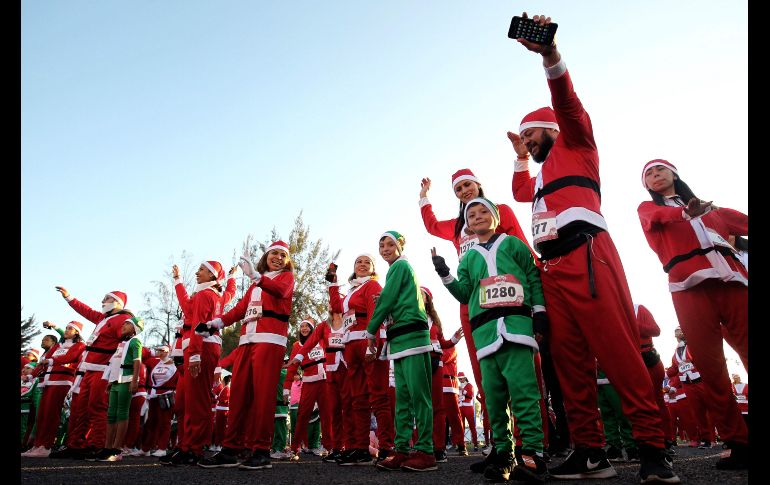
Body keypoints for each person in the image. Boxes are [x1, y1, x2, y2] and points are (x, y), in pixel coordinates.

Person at [507, 12, 678, 482]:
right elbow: (521, 193)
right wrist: (521, 158)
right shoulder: (539, 174)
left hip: (588, 254)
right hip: (553, 269)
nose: (527, 140)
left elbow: (566, 102)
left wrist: (549, 56)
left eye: (530, 133)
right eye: (522, 137)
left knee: (619, 349)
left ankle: (652, 448)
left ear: (550, 130)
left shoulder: (576, 143)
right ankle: (591, 452)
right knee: (570, 364)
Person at [639, 158, 748, 469]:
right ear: (646, 185)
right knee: (712, 367)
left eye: (660, 169)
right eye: (648, 173)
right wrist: (687, 212)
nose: (655, 174)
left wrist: (702, 210)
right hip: (688, 287)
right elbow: (658, 216)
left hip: (733, 281)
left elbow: (742, 222)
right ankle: (737, 441)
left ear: (674, 173)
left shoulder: (713, 210)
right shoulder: (647, 209)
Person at [432, 197, 547, 482]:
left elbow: (532, 276)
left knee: (524, 393)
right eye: (472, 214)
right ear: (467, 225)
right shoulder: (468, 258)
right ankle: (504, 454)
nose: (478, 216)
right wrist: (444, 273)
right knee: (493, 399)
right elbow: (463, 293)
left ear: (497, 217)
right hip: (484, 333)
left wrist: (540, 310)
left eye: (484, 211)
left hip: (517, 327)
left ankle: (532, 455)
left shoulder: (513, 244)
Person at [419, 168, 530, 446]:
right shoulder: (459, 225)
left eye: (467, 185)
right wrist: (424, 199)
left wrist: (535, 299)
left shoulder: (499, 210)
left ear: (479, 185)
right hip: (471, 300)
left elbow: (523, 250)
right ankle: (500, 446)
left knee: (521, 374)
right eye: (458, 189)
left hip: (508, 299)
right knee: (485, 374)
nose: (464, 191)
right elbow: (432, 226)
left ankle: (528, 444)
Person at [198, 240, 295, 470]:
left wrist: (255, 276)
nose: (278, 258)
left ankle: (261, 451)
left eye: (283, 255)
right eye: (274, 253)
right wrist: (214, 323)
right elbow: (241, 309)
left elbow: (280, 291)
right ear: (266, 257)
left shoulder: (286, 278)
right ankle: (231, 449)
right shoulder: (255, 284)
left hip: (270, 340)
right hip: (247, 341)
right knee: (239, 395)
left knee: (262, 397)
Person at [366, 231, 436, 472]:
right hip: (401, 339)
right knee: (403, 400)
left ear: (400, 246)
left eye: (390, 244)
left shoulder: (400, 266)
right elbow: (390, 301)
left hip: (412, 337)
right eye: (381, 244)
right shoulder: (396, 269)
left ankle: (426, 451)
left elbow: (387, 299)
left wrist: (370, 332)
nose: (385, 248)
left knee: (419, 397)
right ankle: (402, 450)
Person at [163, 261, 236, 465]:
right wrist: (177, 280)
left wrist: (195, 354)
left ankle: (194, 449)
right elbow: (186, 305)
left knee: (198, 401)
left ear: (212, 276)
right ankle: (186, 445)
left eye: (201, 269)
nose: (197, 272)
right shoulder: (211, 294)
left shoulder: (206, 295)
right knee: (190, 401)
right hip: (198, 346)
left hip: (201, 346)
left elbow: (199, 326)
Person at [53, 287, 137, 459]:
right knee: (81, 409)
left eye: (106, 298)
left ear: (117, 302)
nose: (102, 301)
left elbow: (126, 343)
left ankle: (97, 446)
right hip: (88, 369)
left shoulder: (124, 318)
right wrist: (69, 297)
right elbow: (85, 310)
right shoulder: (102, 318)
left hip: (103, 370)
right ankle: (76, 445)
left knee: (97, 408)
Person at [327, 253, 393, 465]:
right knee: (358, 399)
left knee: (378, 396)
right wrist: (333, 283)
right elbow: (337, 308)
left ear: (373, 269)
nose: (362, 265)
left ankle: (386, 447)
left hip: (368, 343)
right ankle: (360, 447)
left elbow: (377, 314)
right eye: (358, 262)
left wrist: (373, 344)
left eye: (367, 262)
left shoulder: (372, 286)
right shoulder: (351, 292)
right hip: (351, 346)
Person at [24, 321, 86, 457]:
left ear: (77, 332)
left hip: (62, 381)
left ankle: (46, 446)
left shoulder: (80, 345)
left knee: (51, 415)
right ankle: (37, 445)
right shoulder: (58, 345)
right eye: (66, 328)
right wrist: (30, 376)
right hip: (47, 381)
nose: (67, 330)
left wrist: (51, 361)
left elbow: (68, 357)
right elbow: (44, 360)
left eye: (70, 328)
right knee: (42, 415)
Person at [91, 316, 144, 462]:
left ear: (135, 329)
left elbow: (137, 362)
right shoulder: (121, 343)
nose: (123, 325)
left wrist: (135, 381)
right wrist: (110, 379)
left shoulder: (135, 341)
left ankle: (117, 449)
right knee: (111, 414)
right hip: (115, 381)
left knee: (122, 413)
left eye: (127, 324)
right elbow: (115, 361)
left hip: (126, 381)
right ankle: (107, 447)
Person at [421, 286, 463, 464]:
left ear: (428, 299)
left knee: (438, 406)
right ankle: (424, 445)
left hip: (436, 362)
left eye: (421, 294)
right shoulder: (409, 315)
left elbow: (443, 343)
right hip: (419, 361)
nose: (418, 296)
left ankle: (439, 448)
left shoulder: (435, 322)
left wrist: (454, 339)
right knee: (423, 405)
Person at [283, 318, 333, 459]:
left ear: (313, 328)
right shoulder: (297, 346)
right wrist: (286, 389)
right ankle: (295, 449)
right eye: (302, 326)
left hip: (324, 381)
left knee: (327, 415)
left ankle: (330, 447)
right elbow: (292, 368)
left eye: (307, 326)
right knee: (302, 415)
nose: (304, 329)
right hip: (309, 383)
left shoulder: (321, 340)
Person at [665, 327, 714, 449]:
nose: (678, 332)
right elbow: (674, 369)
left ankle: (729, 438)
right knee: (698, 412)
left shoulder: (693, 346)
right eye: (676, 331)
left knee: (713, 408)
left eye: (680, 330)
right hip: (688, 385)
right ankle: (706, 439)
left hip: (700, 381)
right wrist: (662, 374)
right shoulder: (675, 353)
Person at [141, 346, 178, 457]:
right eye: (158, 350)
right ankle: (146, 448)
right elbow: (142, 357)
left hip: (167, 395)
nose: (160, 352)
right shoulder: (155, 362)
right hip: (154, 395)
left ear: (169, 352)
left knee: (165, 422)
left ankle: (162, 448)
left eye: (162, 350)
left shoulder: (175, 364)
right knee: (151, 422)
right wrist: (150, 352)